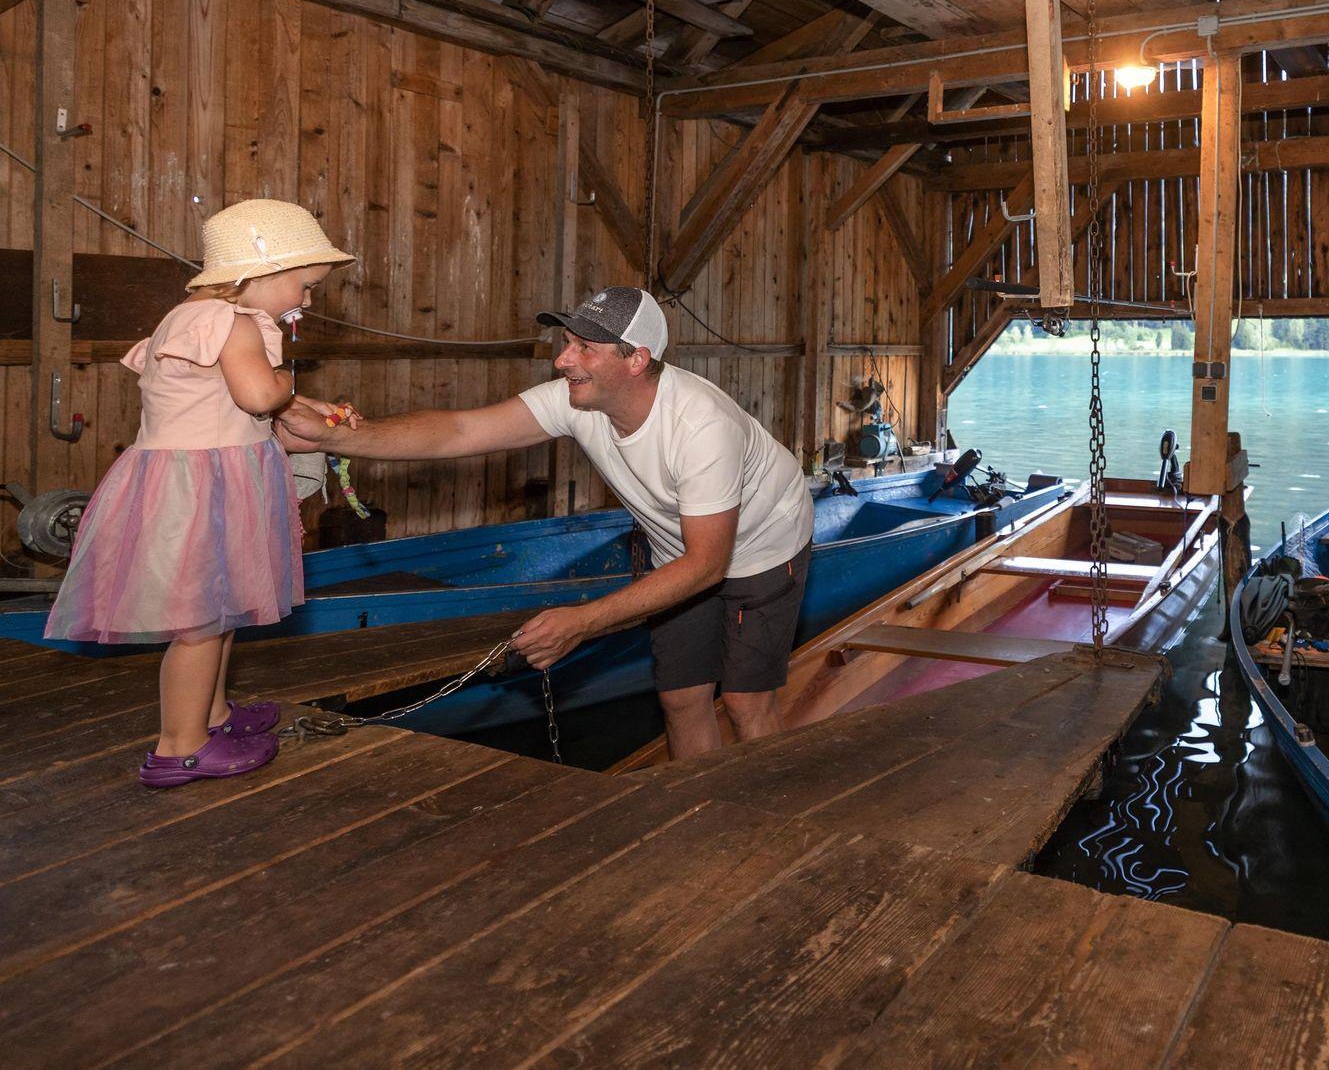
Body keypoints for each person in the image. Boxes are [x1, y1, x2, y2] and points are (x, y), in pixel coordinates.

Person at [282, 287, 814, 761]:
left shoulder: (700, 427)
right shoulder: (575, 401)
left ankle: (762, 816)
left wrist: (583, 621)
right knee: (680, 697)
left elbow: (707, 565)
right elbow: (461, 431)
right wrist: (338, 436)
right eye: (566, 342)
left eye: (585, 348)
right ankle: (694, 814)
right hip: (678, 551)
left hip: (762, 546)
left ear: (636, 359)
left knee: (745, 702)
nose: (563, 360)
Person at [45, 199, 355, 788]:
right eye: (306, 286)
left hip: (202, 479)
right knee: (199, 625)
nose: (308, 301)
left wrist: (304, 404)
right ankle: (179, 747)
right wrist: (287, 382)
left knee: (220, 608)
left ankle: (211, 715)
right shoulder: (232, 323)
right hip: (204, 487)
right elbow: (258, 397)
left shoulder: (190, 317)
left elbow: (221, 395)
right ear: (261, 273)